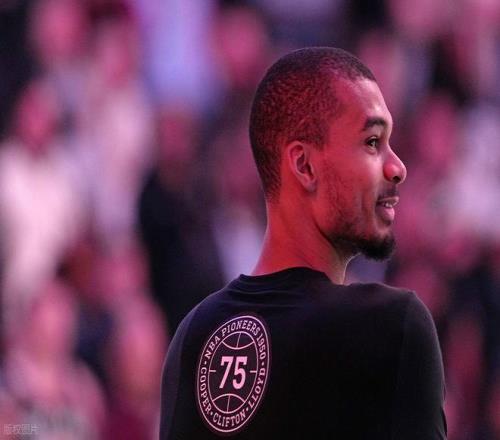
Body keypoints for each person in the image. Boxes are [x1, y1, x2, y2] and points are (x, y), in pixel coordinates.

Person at [159, 47, 447, 439]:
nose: (397, 167)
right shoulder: (391, 326)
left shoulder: (193, 336)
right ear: (304, 165)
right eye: (372, 141)